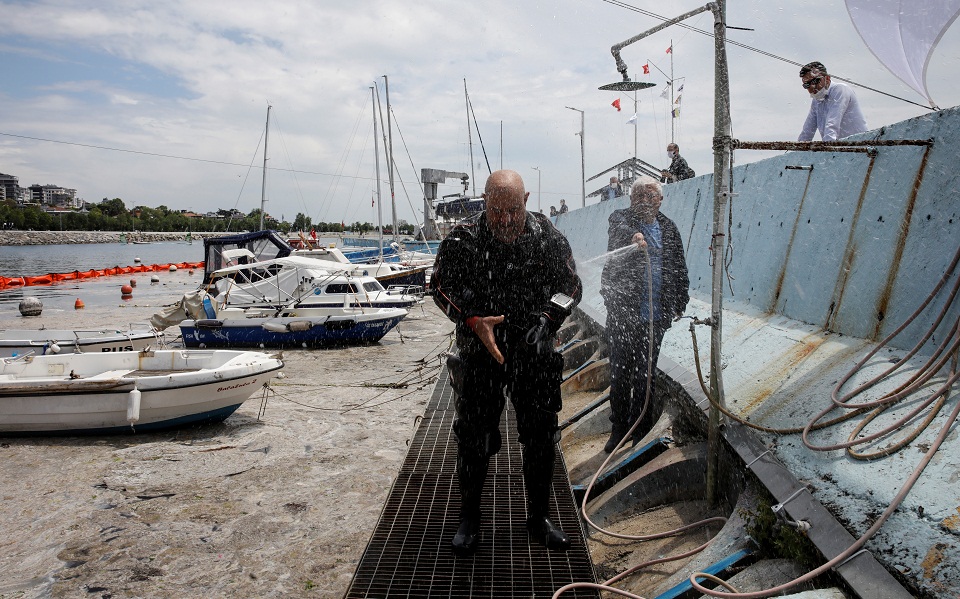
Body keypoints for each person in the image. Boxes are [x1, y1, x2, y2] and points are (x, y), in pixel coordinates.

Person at [433, 169, 582, 557]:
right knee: (474, 436)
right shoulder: (463, 238)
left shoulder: (546, 236)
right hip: (480, 349)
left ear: (526, 201)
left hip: (533, 348)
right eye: (497, 211)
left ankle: (539, 518)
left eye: (514, 210)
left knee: (541, 435)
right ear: (484, 202)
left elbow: (571, 286)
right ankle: (469, 517)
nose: (506, 220)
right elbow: (440, 286)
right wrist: (472, 319)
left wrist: (548, 319)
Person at [600, 175, 689, 453]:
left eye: (651, 196)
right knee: (620, 374)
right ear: (631, 199)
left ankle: (640, 429)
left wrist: (680, 300)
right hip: (623, 314)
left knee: (645, 376)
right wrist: (633, 236)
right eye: (639, 195)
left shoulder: (668, 228)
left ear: (660, 200)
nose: (645, 201)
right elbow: (618, 230)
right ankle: (619, 428)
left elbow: (679, 265)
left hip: (655, 316)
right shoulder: (620, 219)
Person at [798, 61, 868, 142]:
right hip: (841, 147)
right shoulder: (816, 100)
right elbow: (807, 131)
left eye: (815, 81)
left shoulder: (840, 90)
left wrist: (828, 147)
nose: (811, 87)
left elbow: (832, 125)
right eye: (807, 85)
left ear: (827, 78)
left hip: (860, 146)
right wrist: (797, 148)